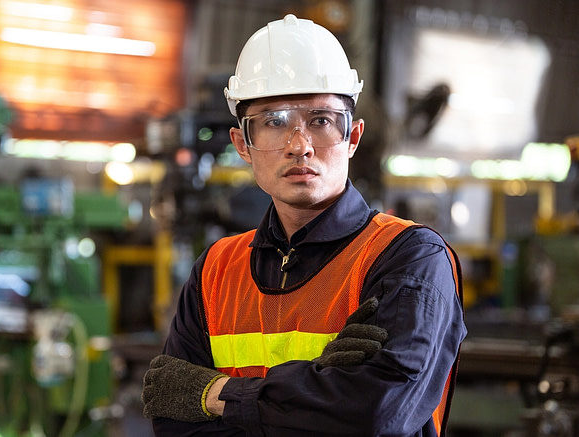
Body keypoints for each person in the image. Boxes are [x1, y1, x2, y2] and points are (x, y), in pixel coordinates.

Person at [142, 14, 467, 436]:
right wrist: (323, 391)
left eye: (321, 121)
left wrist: (215, 395)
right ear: (242, 144)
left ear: (353, 137)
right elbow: (173, 423)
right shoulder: (216, 270)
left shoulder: (409, 257)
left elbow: (374, 414)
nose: (299, 146)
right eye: (274, 121)